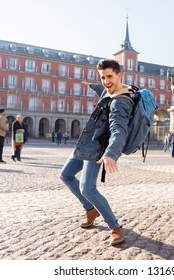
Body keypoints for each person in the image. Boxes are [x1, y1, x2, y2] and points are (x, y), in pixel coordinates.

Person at [59, 59, 132, 246]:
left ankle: (115, 226)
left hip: (98, 149)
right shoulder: (108, 91)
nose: (106, 81)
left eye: (109, 76)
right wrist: (92, 85)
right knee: (66, 175)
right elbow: (102, 91)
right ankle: (90, 209)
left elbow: (119, 130)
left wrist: (111, 154)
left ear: (119, 76)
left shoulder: (121, 101)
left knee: (87, 188)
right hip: (86, 143)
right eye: (102, 77)